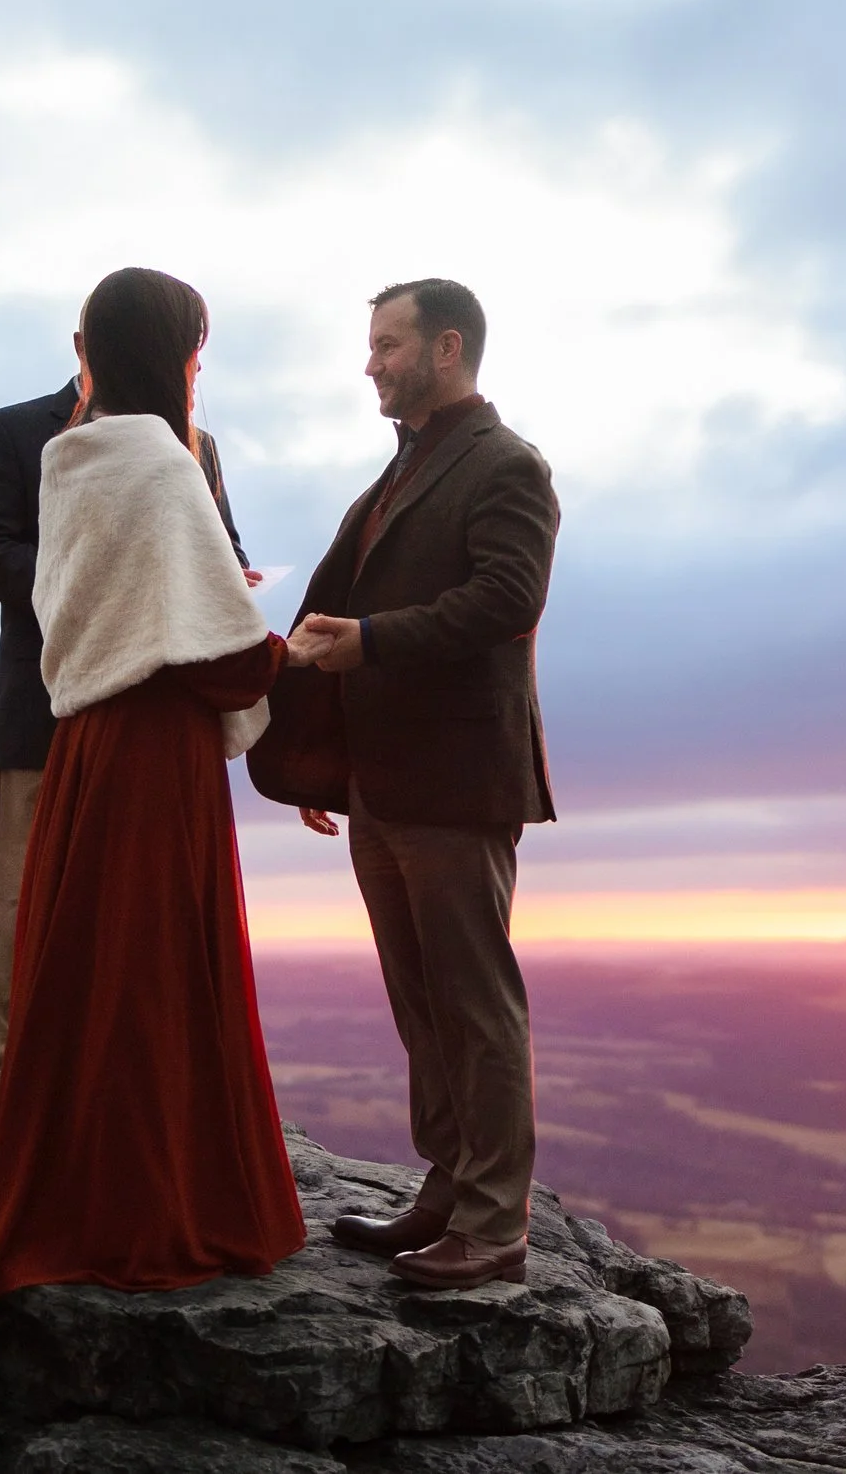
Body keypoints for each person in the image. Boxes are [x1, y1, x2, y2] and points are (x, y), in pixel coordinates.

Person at [0, 266, 309, 1296]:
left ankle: (54, 1150)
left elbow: (199, 566)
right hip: (146, 737)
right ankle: (141, 1178)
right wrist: (283, 656)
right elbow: (216, 647)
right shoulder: (146, 454)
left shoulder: (82, 454)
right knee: (145, 956)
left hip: (87, 720)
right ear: (171, 350)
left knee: (79, 937)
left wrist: (160, 580)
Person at [286, 278, 560, 1291]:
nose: (371, 363)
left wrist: (367, 642)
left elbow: (507, 598)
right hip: (382, 779)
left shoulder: (506, 463)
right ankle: (447, 1187)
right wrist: (321, 747)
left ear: (447, 348)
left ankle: (493, 1224)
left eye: (387, 344)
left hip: (455, 779)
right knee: (421, 1002)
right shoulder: (401, 472)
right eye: (371, 345)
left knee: (474, 1004)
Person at [0, 321, 253, 1148]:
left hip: (153, 709)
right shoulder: (14, 430)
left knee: (137, 912)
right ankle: (1, 1090)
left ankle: (117, 1097)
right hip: (45, 705)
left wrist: (229, 575)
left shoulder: (196, 447)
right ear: (85, 340)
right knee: (20, 899)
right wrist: (90, 569)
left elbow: (223, 549)